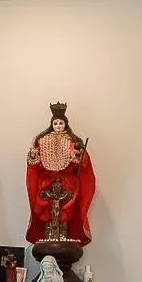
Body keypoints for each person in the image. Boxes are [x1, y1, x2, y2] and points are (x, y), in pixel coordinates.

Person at [23, 102, 98, 247]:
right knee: (46, 210)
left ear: (65, 124)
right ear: (52, 125)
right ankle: (48, 236)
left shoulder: (71, 141)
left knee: (67, 210)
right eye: (55, 123)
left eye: (61, 123)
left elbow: (80, 162)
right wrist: (33, 155)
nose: (58, 126)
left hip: (67, 183)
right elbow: (35, 163)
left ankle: (64, 236)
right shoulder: (43, 141)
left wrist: (79, 155)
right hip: (47, 183)